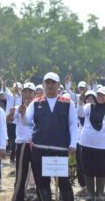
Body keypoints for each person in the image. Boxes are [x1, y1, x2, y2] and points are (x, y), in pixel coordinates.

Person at [21, 72, 77, 201]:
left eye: (53, 83)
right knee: (42, 182)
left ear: (58, 85)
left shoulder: (68, 102)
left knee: (64, 183)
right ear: (43, 84)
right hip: (39, 148)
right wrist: (22, 114)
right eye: (47, 82)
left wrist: (73, 144)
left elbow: (73, 125)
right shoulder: (36, 102)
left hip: (60, 148)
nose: (50, 85)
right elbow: (26, 122)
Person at [9, 82, 40, 201]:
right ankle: (18, 196)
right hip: (23, 145)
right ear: (22, 94)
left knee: (38, 173)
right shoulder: (17, 108)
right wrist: (11, 114)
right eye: (25, 92)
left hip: (37, 145)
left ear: (34, 94)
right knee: (21, 174)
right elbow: (9, 119)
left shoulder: (39, 107)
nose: (27, 94)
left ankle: (40, 195)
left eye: (30, 92)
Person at [77, 87, 105, 200]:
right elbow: (80, 113)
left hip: (102, 145)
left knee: (101, 169)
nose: (100, 97)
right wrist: (80, 100)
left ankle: (99, 194)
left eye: (103, 95)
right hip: (86, 143)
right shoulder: (89, 106)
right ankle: (91, 194)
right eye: (98, 95)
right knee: (88, 169)